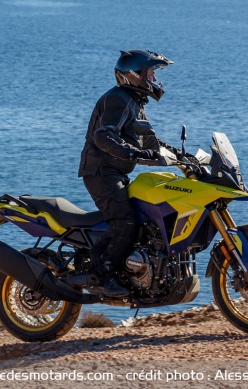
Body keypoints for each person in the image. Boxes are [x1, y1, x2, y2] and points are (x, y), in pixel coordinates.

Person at [78, 49, 178, 297]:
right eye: (151, 74)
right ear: (134, 75)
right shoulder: (118, 99)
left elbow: (151, 143)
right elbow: (104, 135)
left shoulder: (134, 102)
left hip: (115, 172)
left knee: (143, 221)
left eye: (155, 74)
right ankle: (102, 275)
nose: (155, 80)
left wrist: (185, 156)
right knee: (125, 221)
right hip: (102, 173)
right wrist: (131, 153)